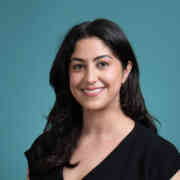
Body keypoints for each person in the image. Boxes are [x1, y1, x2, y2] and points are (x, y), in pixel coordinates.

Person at [25, 18, 180, 180]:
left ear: (126, 70)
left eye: (102, 64)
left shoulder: (158, 158)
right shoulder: (44, 149)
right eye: (78, 66)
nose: (90, 78)